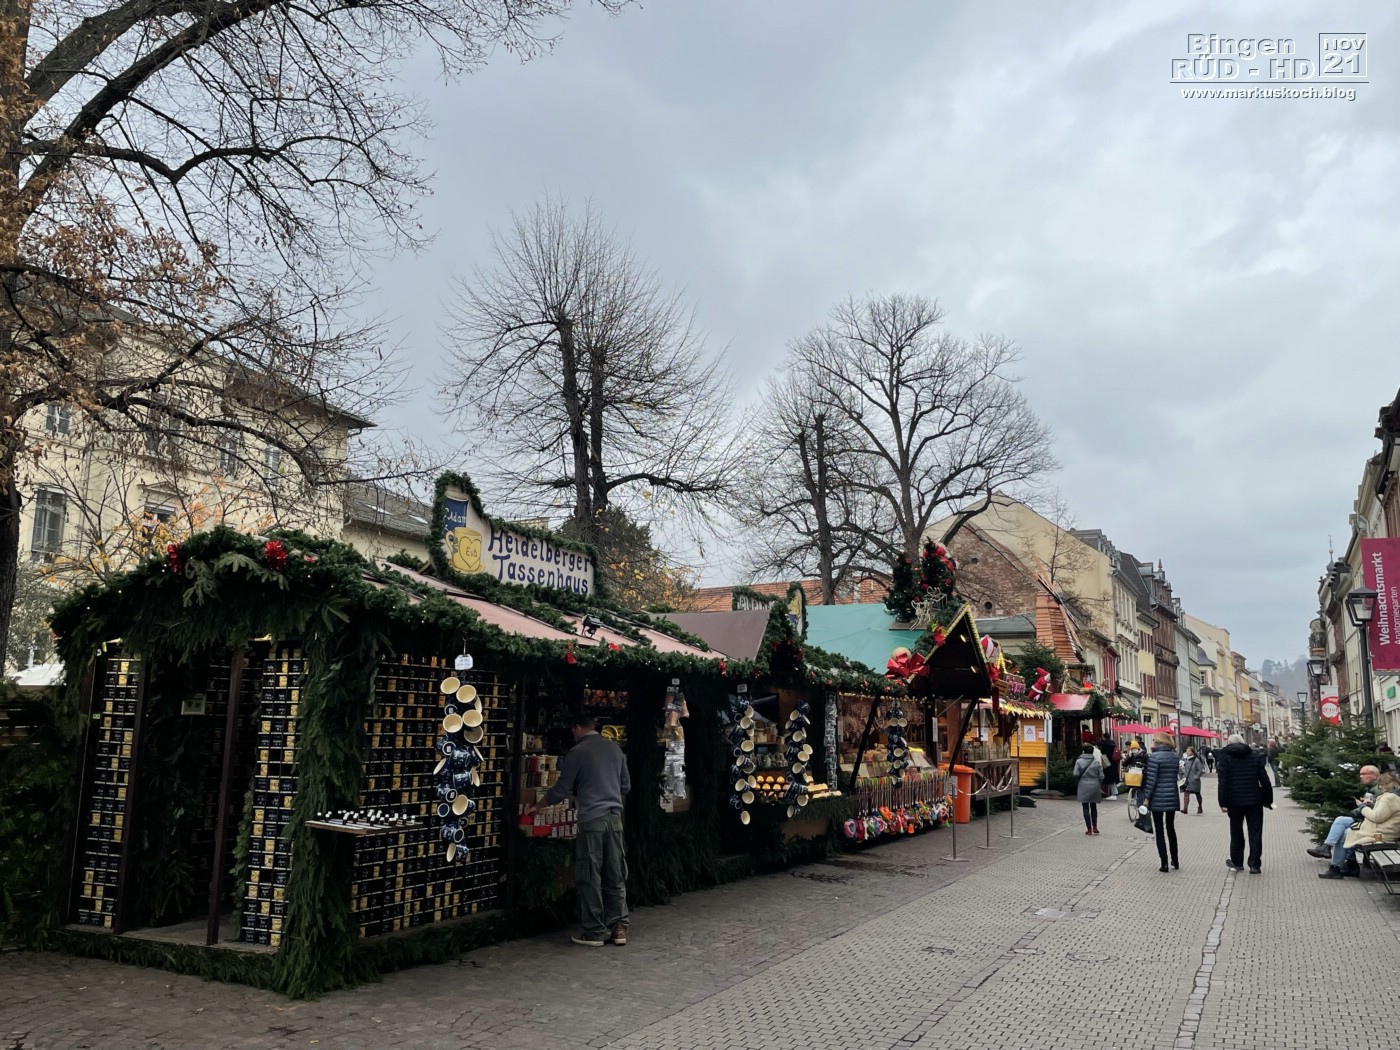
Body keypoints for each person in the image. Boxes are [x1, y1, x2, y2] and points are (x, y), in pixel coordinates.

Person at [529, 714, 631, 947]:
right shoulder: (615, 749)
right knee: (615, 872)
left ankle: (594, 931)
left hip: (591, 819)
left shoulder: (577, 753)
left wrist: (539, 805)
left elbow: (562, 789)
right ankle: (619, 928)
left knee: (590, 874)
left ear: (576, 729)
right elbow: (626, 785)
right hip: (615, 819)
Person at [1318, 771, 1400, 879]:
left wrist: (1362, 807)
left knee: (1346, 833)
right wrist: (1371, 805)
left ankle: (1336, 867)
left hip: (1380, 834)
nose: (1379, 786)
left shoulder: (1389, 798)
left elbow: (1377, 817)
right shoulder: (1391, 797)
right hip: (1379, 830)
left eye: (1380, 784)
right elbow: (1383, 814)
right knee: (1342, 823)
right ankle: (1335, 860)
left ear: (1383, 784)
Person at [1217, 733, 1274, 874]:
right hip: (1254, 800)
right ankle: (1254, 864)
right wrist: (1268, 800)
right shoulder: (1254, 756)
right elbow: (1265, 780)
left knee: (1236, 831)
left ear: (1229, 742)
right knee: (1255, 832)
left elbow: (1222, 782)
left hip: (1233, 800)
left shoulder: (1225, 757)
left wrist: (1222, 802)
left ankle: (1237, 862)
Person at [1306, 764, 1382, 869]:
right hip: (1366, 820)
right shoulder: (1372, 789)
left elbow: (1378, 811)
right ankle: (1330, 851)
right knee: (1341, 821)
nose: (1360, 777)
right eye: (1360, 774)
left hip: (1374, 825)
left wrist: (1361, 806)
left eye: (1364, 774)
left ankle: (1337, 864)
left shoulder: (1379, 790)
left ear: (1374, 775)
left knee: (1345, 831)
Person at [1139, 731, 1182, 872]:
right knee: (1171, 828)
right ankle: (1175, 860)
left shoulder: (1154, 757)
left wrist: (1146, 798)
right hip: (1172, 796)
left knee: (1159, 830)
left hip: (1157, 797)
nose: (1152, 743)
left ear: (1158, 742)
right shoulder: (1175, 756)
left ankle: (1164, 863)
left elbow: (1152, 780)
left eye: (1153, 740)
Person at [1073, 742, 1104, 834]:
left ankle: (1089, 829)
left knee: (1085, 807)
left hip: (1083, 785)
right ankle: (1095, 827)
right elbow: (1102, 776)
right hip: (1095, 785)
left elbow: (1075, 774)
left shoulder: (1079, 761)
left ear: (1083, 751)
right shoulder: (1097, 762)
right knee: (1093, 806)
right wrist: (1099, 784)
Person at [1179, 746, 1206, 814]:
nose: (1187, 752)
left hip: (1194, 781)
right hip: (1186, 780)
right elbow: (1182, 768)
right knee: (1186, 793)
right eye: (1187, 751)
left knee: (1197, 794)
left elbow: (1200, 770)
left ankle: (1200, 806)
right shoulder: (1185, 760)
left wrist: (1196, 777)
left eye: (1189, 751)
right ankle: (1185, 808)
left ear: (1192, 752)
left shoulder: (1196, 760)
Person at [1102, 735, 1122, 800]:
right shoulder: (1113, 743)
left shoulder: (1104, 744)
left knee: (1110, 779)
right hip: (1114, 763)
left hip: (1107, 763)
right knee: (1112, 779)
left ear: (1104, 737)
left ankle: (1113, 794)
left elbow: (1103, 754)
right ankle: (1114, 793)